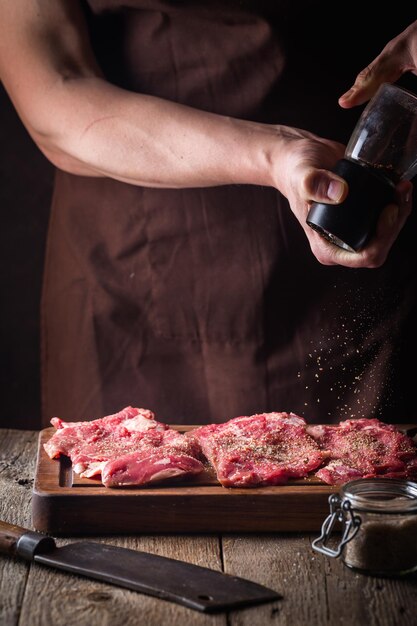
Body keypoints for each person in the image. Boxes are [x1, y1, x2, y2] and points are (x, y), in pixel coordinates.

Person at [0, 1, 416, 426]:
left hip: (359, 223)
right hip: (139, 256)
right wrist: (276, 153)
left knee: (369, 475)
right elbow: (54, 92)